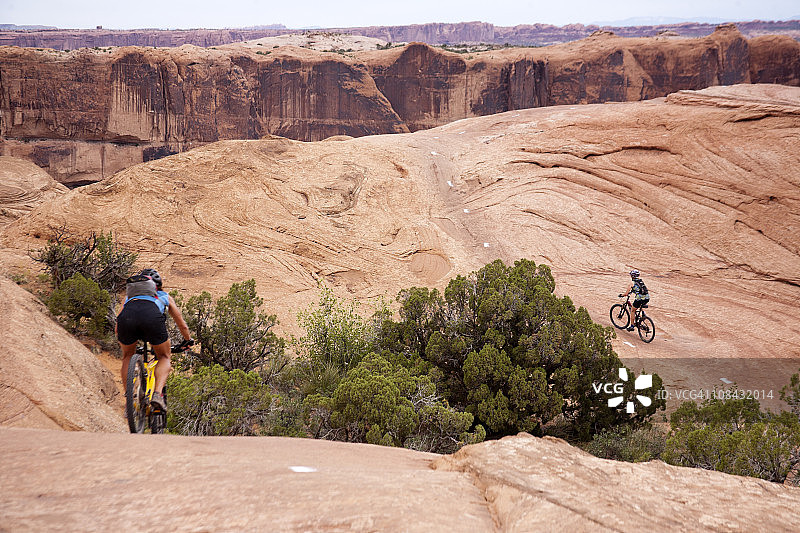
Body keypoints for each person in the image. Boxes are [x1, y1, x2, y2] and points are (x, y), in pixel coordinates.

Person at [116, 268, 192, 410]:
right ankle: (157, 394)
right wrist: (188, 339)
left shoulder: (129, 298)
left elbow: (118, 321)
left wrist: (121, 338)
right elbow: (181, 323)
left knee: (127, 356)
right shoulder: (164, 296)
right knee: (164, 356)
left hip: (127, 319)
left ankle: (129, 398)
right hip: (151, 319)